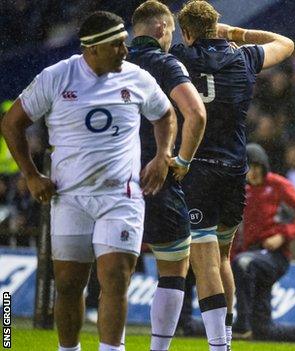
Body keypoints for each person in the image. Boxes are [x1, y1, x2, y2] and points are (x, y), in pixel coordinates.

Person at [1, 11, 175, 351]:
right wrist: (32, 175)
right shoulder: (57, 77)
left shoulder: (137, 78)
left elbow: (165, 113)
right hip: (69, 197)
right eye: (118, 44)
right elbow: (11, 123)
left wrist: (162, 155)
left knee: (115, 278)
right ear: (92, 49)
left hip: (120, 196)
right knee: (67, 284)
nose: (126, 50)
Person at [170, 1, 294, 349]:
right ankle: (226, 334)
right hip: (234, 169)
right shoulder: (243, 56)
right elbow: (285, 43)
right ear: (217, 27)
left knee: (204, 257)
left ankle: (219, 345)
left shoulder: (180, 56)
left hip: (199, 167)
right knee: (223, 256)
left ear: (188, 32)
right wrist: (237, 34)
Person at [126, 2, 207, 351]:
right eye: (171, 31)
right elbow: (196, 114)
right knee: (173, 269)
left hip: (113, 179)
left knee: (111, 269)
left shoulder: (111, 63)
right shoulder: (164, 63)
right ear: (161, 28)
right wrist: (181, 159)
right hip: (156, 175)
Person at [231, 143, 295, 341]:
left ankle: (241, 324)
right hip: (251, 255)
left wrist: (283, 235)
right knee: (264, 330)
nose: (252, 173)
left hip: (275, 256)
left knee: (243, 263)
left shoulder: (278, 185)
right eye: (248, 168)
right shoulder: (243, 191)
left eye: (255, 167)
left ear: (263, 166)